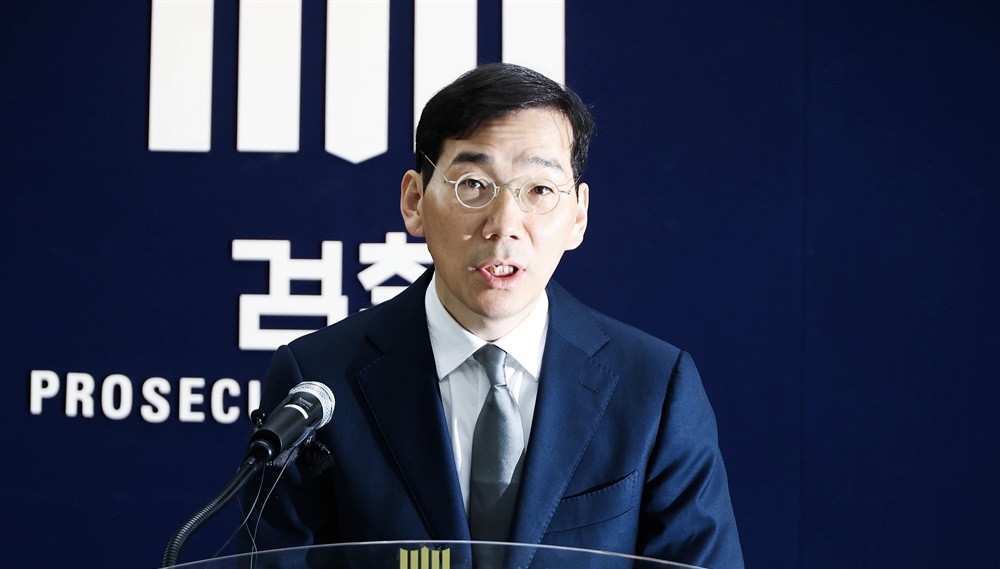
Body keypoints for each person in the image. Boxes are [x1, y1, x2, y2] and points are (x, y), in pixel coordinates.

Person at [240, 62, 744, 569]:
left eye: (539, 190)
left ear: (578, 215)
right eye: (473, 184)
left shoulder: (654, 388)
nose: (504, 225)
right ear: (414, 201)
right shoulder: (318, 380)